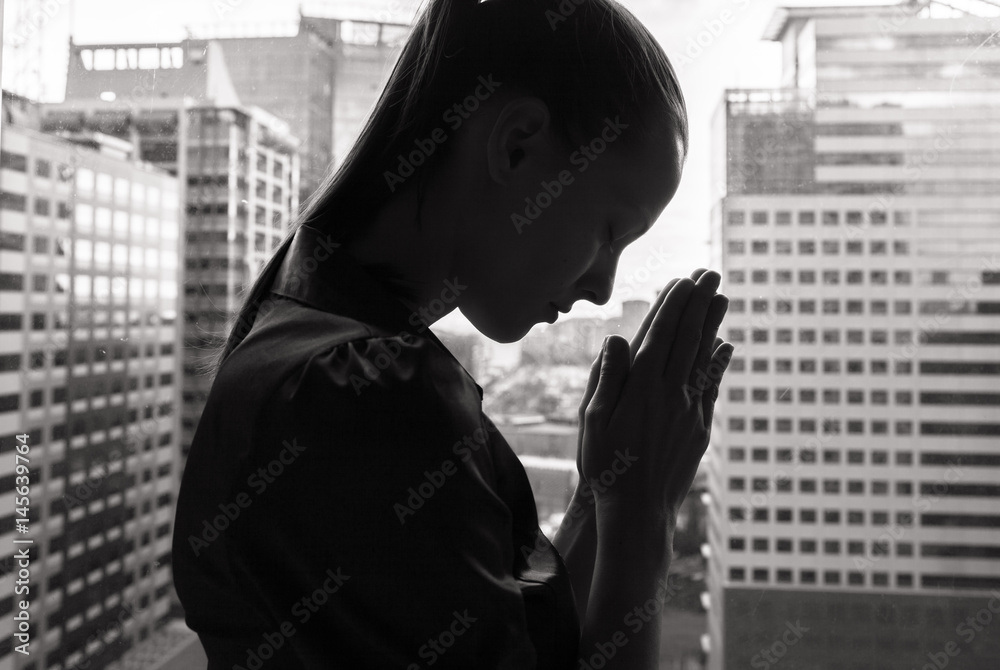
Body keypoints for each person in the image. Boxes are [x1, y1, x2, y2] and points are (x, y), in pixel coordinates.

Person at [171, 0, 733, 667]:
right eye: (611, 232)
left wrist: (602, 490)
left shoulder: (309, 336)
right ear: (515, 143)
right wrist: (641, 519)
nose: (603, 289)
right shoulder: (365, 397)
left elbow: (536, 637)